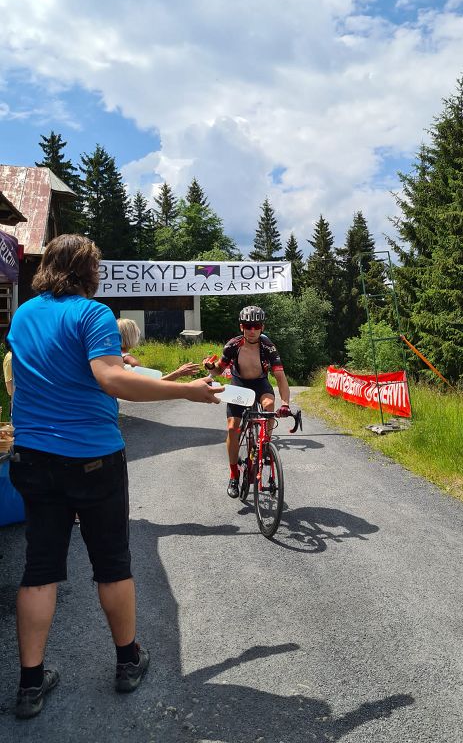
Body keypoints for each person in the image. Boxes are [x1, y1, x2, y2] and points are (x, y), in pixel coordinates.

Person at [8, 234, 223, 720]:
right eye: (97, 267)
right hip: (92, 457)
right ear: (85, 270)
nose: (100, 274)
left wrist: (166, 380)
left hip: (33, 457)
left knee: (40, 569)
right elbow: (110, 377)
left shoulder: (23, 314)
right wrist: (185, 392)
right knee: (111, 563)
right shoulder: (93, 314)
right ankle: (127, 661)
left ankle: (30, 684)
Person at [202, 305, 291, 498]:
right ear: (241, 327)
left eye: (256, 326)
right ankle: (234, 475)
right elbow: (219, 369)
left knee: (269, 405)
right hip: (239, 384)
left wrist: (285, 404)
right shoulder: (233, 345)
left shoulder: (268, 347)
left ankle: (265, 445)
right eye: (247, 326)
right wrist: (210, 367)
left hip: (260, 383)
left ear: (262, 327)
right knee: (233, 428)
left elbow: (280, 378)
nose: (252, 330)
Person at [116, 318, 201, 380]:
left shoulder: (113, 356)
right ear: (132, 336)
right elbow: (150, 385)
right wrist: (178, 373)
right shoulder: (130, 361)